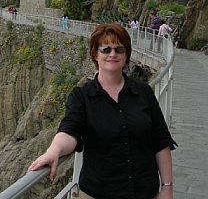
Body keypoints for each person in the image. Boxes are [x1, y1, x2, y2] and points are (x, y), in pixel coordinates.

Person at [28, 23, 176, 199]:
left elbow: (160, 141)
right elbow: (69, 130)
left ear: (126, 54)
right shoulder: (82, 96)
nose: (112, 54)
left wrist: (167, 188)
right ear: (95, 54)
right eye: (105, 49)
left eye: (119, 49)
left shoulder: (143, 92)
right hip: (98, 193)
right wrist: (53, 151)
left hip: (144, 192)